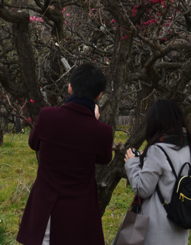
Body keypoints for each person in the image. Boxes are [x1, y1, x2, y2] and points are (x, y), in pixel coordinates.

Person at [17, 64, 115, 245]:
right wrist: (94, 122)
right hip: (79, 216)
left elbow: (33, 143)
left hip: (45, 209)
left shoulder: (47, 116)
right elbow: (105, 158)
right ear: (99, 94)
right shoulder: (102, 131)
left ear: (70, 86)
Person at [123, 99, 191, 245]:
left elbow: (143, 188)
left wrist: (132, 162)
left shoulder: (157, 150)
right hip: (181, 222)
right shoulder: (188, 147)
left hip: (158, 229)